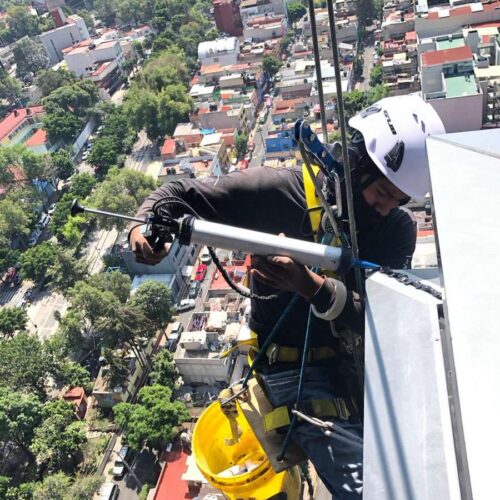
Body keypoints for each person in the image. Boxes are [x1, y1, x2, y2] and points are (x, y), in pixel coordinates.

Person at [129, 95, 445, 498]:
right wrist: (144, 229)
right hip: (292, 371)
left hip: (355, 366)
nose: (385, 209)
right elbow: (179, 195)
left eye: (398, 201)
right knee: (371, 490)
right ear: (357, 164)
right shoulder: (280, 193)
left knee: (422, 457)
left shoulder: (396, 230)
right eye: (382, 193)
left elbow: (381, 317)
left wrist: (310, 286)